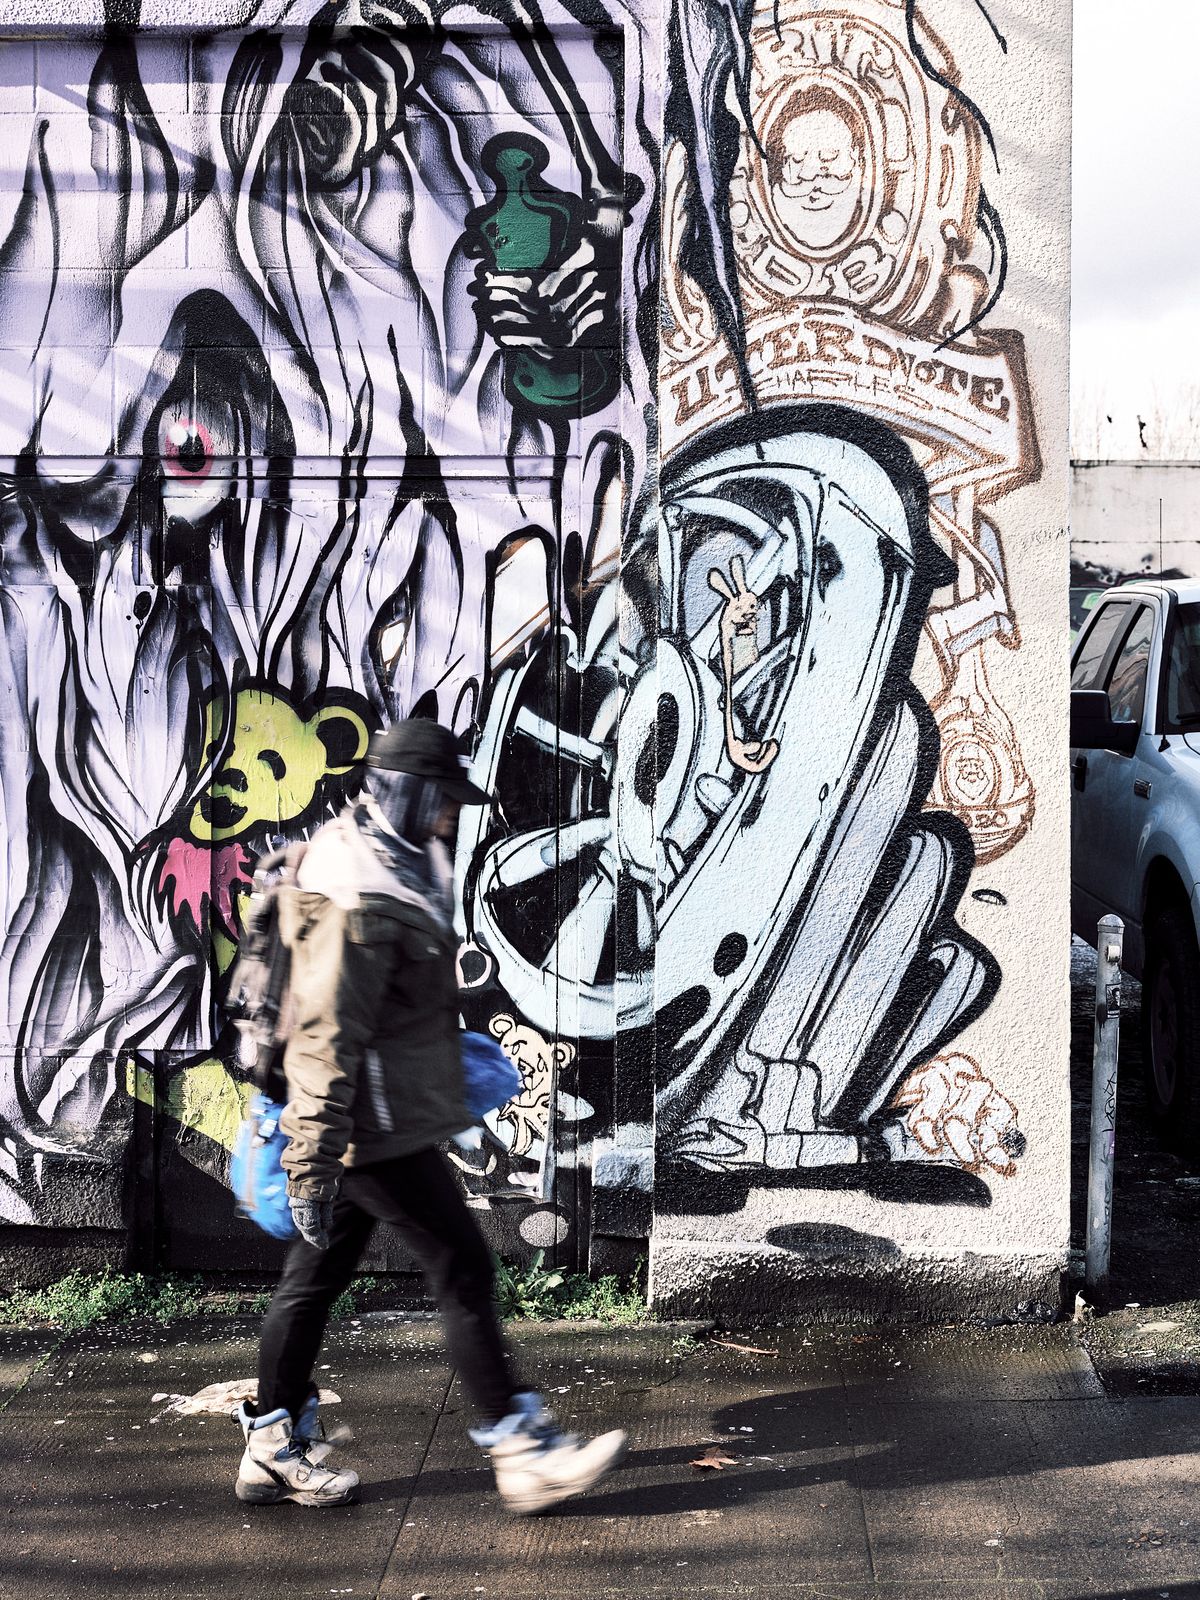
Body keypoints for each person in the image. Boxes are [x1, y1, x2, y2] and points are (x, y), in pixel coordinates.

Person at [232, 718, 626, 1513]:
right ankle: (523, 1451)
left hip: (366, 1121)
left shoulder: (392, 859)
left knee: (314, 1278)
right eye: (443, 801)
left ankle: (272, 1445)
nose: (452, 817)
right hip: (364, 1131)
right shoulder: (356, 888)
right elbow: (322, 1037)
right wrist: (312, 1162)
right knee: (464, 1269)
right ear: (412, 793)